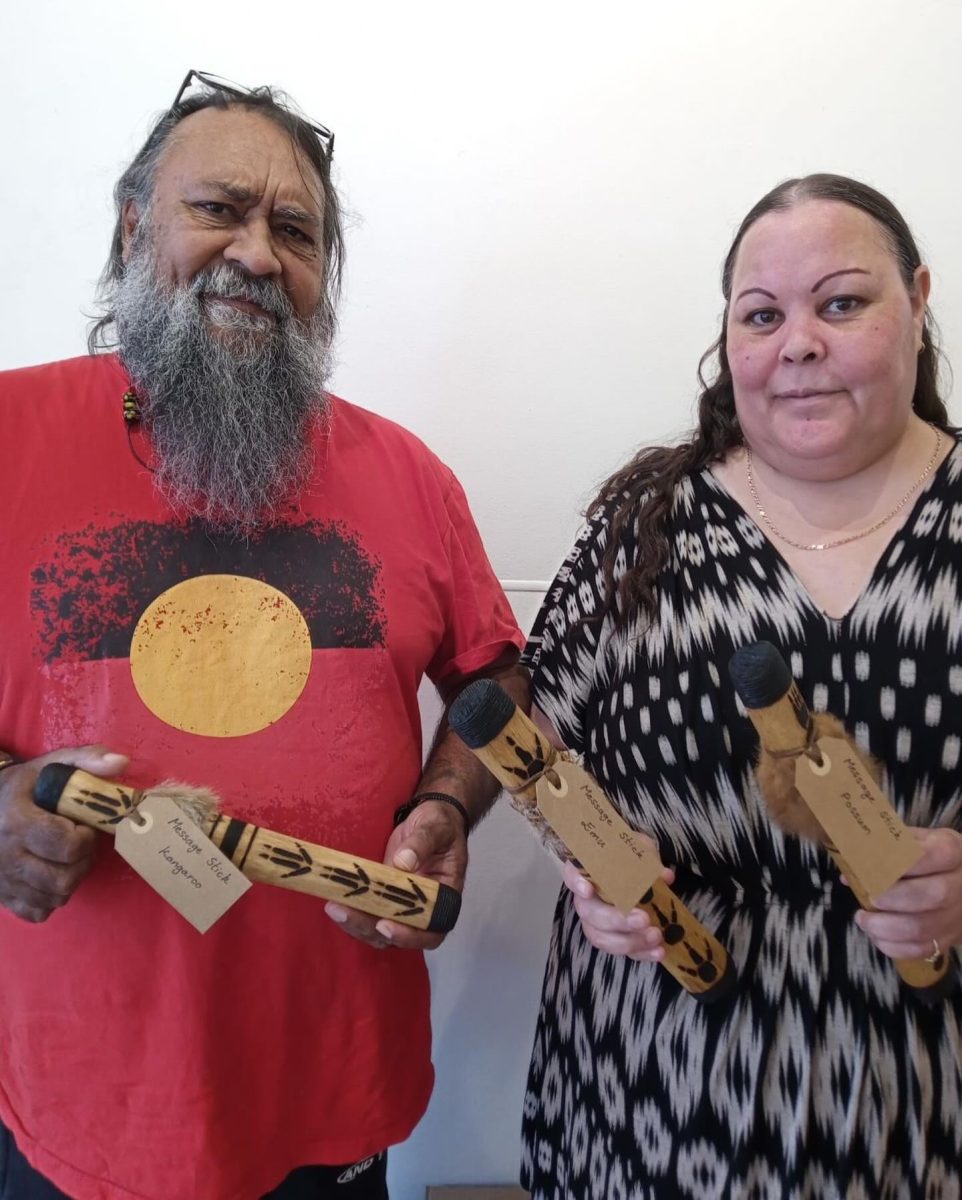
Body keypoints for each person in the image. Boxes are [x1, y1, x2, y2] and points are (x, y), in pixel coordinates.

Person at [0, 71, 526, 1200]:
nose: (255, 253)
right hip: (80, 1114)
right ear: (134, 225)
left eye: (295, 231)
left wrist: (440, 808)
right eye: (217, 208)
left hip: (333, 1097)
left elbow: (498, 678)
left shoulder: (408, 475)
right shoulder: (7, 437)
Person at [519, 174, 962, 1198]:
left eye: (840, 302)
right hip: (660, 1089)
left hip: (924, 1098)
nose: (797, 342)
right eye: (760, 315)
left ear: (918, 299)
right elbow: (537, 752)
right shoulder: (643, 527)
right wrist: (588, 871)